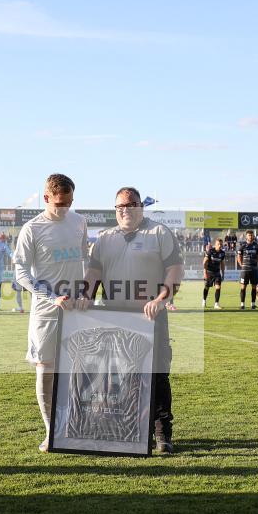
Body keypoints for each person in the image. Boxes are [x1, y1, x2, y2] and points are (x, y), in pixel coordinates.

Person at [84, 187, 183, 454]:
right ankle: (128, 430)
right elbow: (93, 274)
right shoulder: (104, 238)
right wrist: (85, 298)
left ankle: (162, 433)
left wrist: (161, 299)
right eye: (119, 206)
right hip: (115, 318)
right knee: (120, 377)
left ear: (141, 206)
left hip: (151, 318)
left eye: (130, 205)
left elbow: (175, 270)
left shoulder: (159, 233)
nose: (125, 210)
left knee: (158, 375)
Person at [12, 173, 87, 452]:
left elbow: (84, 261)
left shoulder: (79, 222)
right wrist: (53, 297)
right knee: (46, 370)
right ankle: (51, 433)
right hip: (46, 311)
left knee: (74, 371)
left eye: (69, 202)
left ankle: (71, 427)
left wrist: (84, 292)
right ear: (46, 198)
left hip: (76, 310)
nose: (65, 208)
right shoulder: (32, 229)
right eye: (60, 203)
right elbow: (21, 273)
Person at [236, 230, 258, 309]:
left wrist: (255, 263)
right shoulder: (242, 246)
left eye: (251, 235)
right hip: (245, 270)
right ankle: (242, 304)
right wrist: (241, 265)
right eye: (249, 235)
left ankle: (253, 304)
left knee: (254, 287)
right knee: (243, 287)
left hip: (254, 269)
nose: (250, 236)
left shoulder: (257, 246)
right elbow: (239, 256)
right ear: (246, 236)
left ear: (253, 236)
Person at [202, 238, 226, 309]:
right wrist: (205, 272)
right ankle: (204, 300)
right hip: (209, 272)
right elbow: (205, 262)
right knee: (207, 287)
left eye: (221, 244)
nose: (220, 245)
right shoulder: (210, 251)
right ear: (215, 244)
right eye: (218, 244)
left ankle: (216, 304)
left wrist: (223, 273)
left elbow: (222, 264)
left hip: (217, 273)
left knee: (218, 287)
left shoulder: (222, 253)